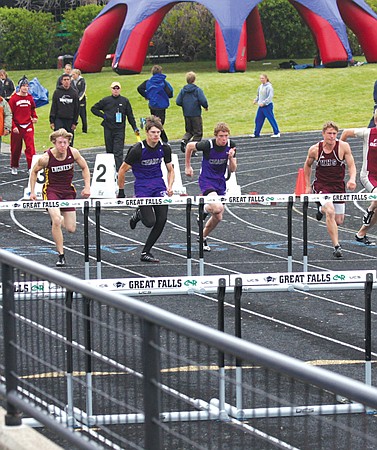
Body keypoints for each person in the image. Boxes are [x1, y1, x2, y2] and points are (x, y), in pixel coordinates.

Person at [29, 128, 91, 267]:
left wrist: (87, 186)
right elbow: (34, 172)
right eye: (59, 143)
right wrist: (32, 192)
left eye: (65, 142)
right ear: (54, 143)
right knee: (57, 220)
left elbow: (85, 168)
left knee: (71, 228)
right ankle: (61, 255)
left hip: (67, 191)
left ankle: (56, 220)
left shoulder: (73, 153)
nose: (62, 146)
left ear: (69, 142)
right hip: (52, 191)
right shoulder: (46, 158)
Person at [117, 116, 174, 263]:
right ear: (147, 133)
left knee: (162, 220)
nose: (156, 135)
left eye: (158, 132)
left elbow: (170, 169)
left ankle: (146, 252)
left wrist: (170, 186)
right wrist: (121, 192)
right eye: (153, 132)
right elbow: (122, 170)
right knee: (149, 222)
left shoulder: (165, 148)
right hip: (142, 186)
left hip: (158, 185)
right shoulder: (137, 149)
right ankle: (139, 214)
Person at [304, 121, 357, 258]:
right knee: (330, 211)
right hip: (322, 186)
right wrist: (307, 186)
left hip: (338, 186)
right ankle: (336, 246)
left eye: (334, 134)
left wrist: (352, 179)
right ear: (323, 134)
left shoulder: (343, 147)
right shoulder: (315, 149)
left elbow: (351, 165)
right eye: (329, 133)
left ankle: (320, 208)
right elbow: (307, 166)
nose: (332, 136)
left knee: (338, 220)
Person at [185, 122, 237, 252]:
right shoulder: (208, 144)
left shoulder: (231, 146)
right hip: (207, 181)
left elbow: (233, 169)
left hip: (220, 182)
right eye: (221, 136)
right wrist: (187, 166)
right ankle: (205, 209)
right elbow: (189, 146)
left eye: (226, 135)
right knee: (218, 207)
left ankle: (202, 237)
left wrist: (231, 158)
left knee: (218, 216)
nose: (224, 139)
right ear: (216, 136)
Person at [340, 111, 377, 246]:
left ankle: (361, 234)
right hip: (369, 176)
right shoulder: (368, 133)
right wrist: (339, 152)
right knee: (376, 199)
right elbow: (346, 132)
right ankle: (370, 209)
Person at [91, 81, 139, 171]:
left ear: (120, 89)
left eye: (117, 88)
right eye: (114, 88)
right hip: (108, 128)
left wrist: (134, 128)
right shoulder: (106, 100)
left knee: (118, 151)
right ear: (111, 89)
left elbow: (130, 115)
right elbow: (93, 108)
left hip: (119, 129)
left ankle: (118, 170)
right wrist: (103, 116)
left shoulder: (125, 101)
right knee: (109, 150)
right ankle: (110, 170)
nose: (116, 90)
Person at [8, 78, 38, 174]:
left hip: (28, 125)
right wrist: (13, 127)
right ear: (19, 87)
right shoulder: (13, 99)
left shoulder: (29, 97)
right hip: (17, 126)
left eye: (27, 86)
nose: (25, 88)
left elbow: (32, 109)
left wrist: (34, 117)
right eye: (23, 86)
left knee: (30, 147)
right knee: (16, 148)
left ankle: (31, 167)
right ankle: (14, 165)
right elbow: (9, 115)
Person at [137, 65, 173, 143]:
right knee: (159, 125)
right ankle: (164, 140)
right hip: (161, 106)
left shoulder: (148, 82)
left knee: (156, 123)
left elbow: (139, 88)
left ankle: (158, 138)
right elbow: (170, 93)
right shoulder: (164, 82)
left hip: (153, 105)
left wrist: (147, 95)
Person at [176, 71, 208, 154]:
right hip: (196, 114)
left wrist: (185, 105)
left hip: (186, 114)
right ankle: (191, 149)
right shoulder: (197, 90)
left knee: (189, 131)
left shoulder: (183, 90)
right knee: (198, 133)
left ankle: (184, 140)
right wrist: (205, 106)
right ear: (194, 80)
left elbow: (178, 101)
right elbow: (203, 100)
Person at [49, 73, 79, 145]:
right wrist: (52, 121)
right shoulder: (57, 92)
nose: (66, 81)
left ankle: (69, 154)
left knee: (69, 139)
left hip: (70, 119)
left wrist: (75, 122)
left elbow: (77, 108)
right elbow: (54, 106)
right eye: (64, 80)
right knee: (58, 137)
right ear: (61, 81)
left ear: (70, 81)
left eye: (68, 79)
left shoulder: (74, 93)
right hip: (59, 119)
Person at [251, 73, 280, 138]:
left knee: (271, 119)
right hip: (261, 107)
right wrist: (256, 100)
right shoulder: (260, 86)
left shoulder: (269, 87)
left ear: (266, 79)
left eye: (262, 78)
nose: (261, 80)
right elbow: (258, 95)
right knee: (258, 119)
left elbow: (270, 97)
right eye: (260, 78)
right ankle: (256, 133)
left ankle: (277, 132)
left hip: (267, 106)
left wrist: (264, 103)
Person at [71, 68, 87, 133]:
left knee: (83, 115)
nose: (72, 76)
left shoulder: (82, 81)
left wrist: (79, 98)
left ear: (77, 74)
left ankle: (84, 130)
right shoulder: (71, 81)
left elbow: (83, 91)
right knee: (74, 115)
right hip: (74, 101)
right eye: (72, 75)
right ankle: (73, 128)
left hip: (81, 101)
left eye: (74, 74)